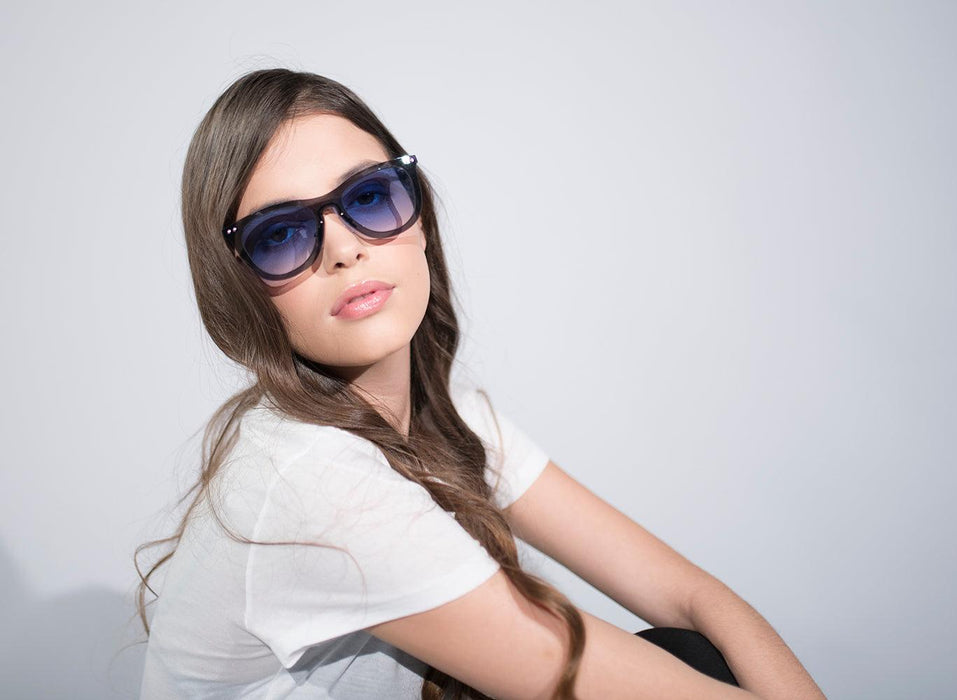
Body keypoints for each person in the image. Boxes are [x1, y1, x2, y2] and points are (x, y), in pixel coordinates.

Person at [134, 68, 826, 700]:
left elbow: (690, 597)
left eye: (369, 197)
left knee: (695, 653)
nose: (345, 249)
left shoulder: (442, 416)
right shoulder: (307, 480)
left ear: (420, 220)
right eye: (281, 235)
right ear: (238, 288)